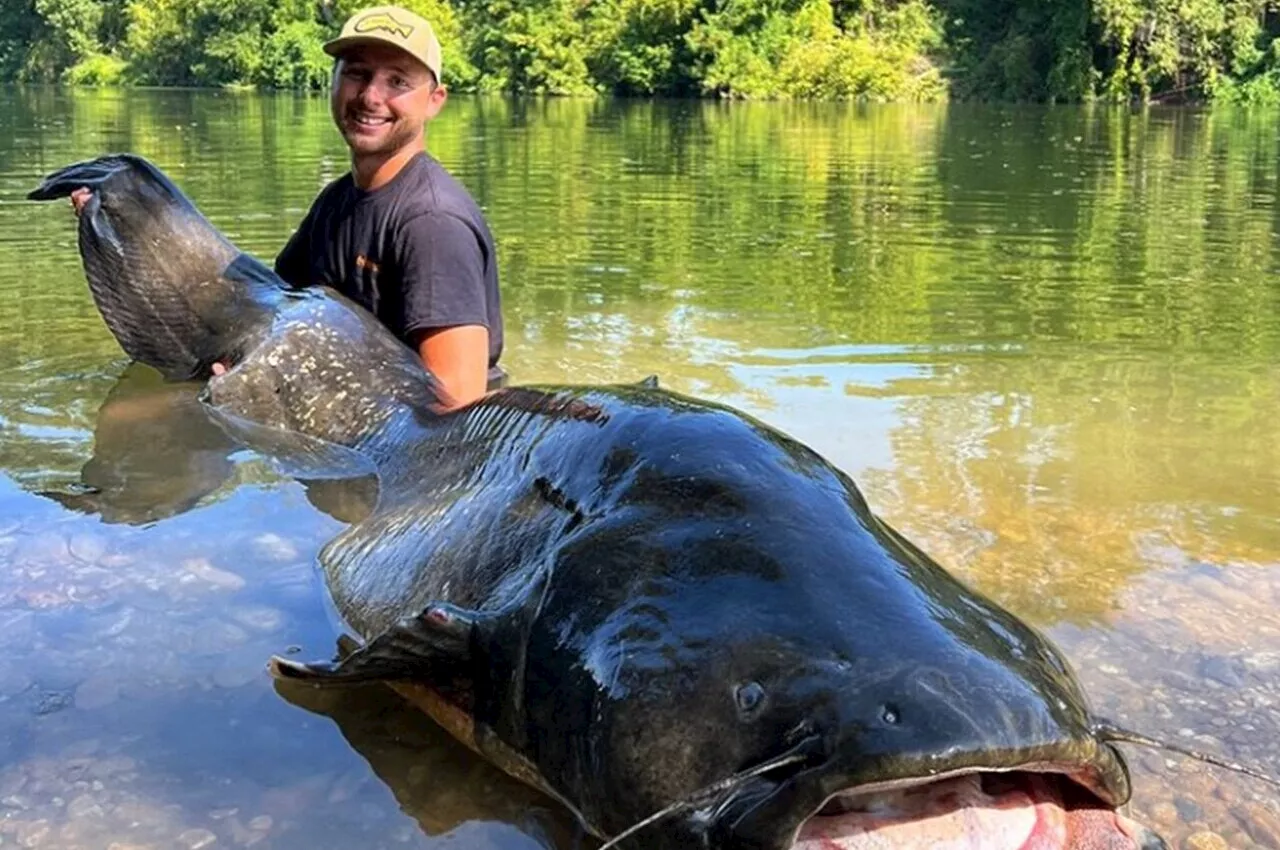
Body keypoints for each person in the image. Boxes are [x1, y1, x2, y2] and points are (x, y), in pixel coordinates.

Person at [69, 4, 505, 412]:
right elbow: (272, 305)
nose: (371, 96)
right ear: (333, 82)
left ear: (435, 100)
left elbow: (458, 407)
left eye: (398, 82)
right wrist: (134, 232)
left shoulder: (432, 222)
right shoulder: (338, 201)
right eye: (357, 73)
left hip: (408, 470)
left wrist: (275, 405)